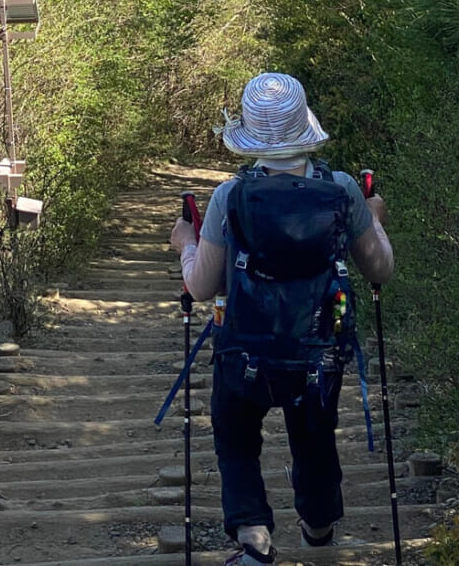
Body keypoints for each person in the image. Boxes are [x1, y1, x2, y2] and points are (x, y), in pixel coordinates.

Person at [168, 72, 394, 565]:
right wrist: (373, 217)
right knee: (315, 434)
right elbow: (380, 267)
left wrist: (185, 243)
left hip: (245, 343)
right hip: (321, 343)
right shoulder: (341, 189)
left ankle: (254, 539)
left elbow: (202, 286)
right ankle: (317, 524)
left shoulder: (231, 196)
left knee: (236, 435)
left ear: (250, 136)